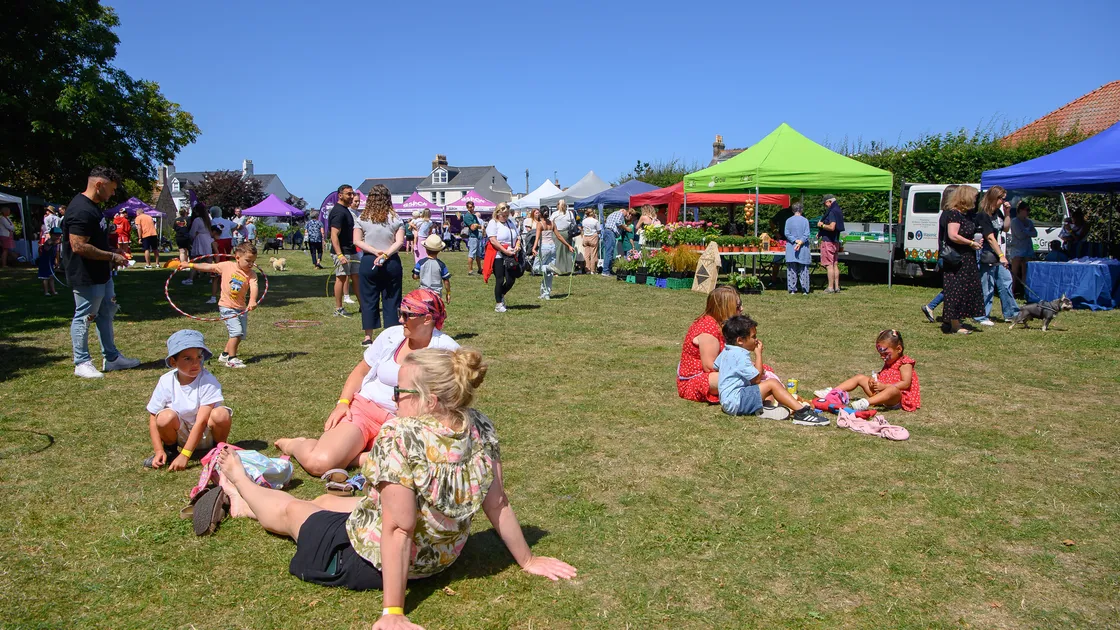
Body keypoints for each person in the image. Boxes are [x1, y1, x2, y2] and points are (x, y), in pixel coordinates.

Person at [217, 347, 577, 628]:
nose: (392, 398)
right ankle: (254, 501)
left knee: (292, 511)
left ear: (429, 400)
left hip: (379, 562)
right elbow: (497, 503)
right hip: (443, 555)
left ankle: (240, 485)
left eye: (399, 391)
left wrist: (393, 610)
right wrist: (527, 560)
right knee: (326, 499)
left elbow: (399, 528)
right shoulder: (479, 425)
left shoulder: (399, 435)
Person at [275, 289, 458, 476]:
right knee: (319, 463)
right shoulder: (391, 336)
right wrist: (343, 403)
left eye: (407, 315)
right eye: (400, 313)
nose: (401, 320)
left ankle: (352, 458)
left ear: (427, 319)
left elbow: (452, 402)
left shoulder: (447, 350)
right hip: (366, 409)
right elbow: (361, 371)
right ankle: (294, 444)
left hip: (406, 423)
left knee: (421, 462)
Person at [60, 166, 140, 378]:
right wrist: (111, 256)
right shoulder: (81, 210)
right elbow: (78, 246)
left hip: (101, 273)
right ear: (99, 185)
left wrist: (111, 251)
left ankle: (112, 358)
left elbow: (94, 240)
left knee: (106, 312)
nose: (113, 193)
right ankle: (82, 362)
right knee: (84, 316)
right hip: (85, 274)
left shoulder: (94, 208)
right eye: (111, 189)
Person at [715, 315, 829, 425]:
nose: (756, 340)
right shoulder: (740, 354)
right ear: (740, 340)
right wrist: (758, 354)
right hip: (737, 401)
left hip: (728, 401)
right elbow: (757, 379)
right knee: (772, 384)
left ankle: (767, 408)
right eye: (753, 337)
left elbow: (715, 366)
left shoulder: (727, 350)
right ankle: (802, 412)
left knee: (767, 389)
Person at [144, 329, 233, 469]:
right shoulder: (166, 381)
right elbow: (153, 416)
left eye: (199, 357)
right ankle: (169, 452)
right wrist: (158, 450)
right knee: (163, 417)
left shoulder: (208, 380)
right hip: (181, 435)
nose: (196, 363)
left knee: (220, 414)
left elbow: (202, 421)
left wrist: (185, 455)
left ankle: (218, 450)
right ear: (173, 362)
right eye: (188, 359)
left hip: (206, 433)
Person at [187, 241, 260, 368]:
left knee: (240, 334)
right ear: (237, 257)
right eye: (248, 261)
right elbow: (208, 267)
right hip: (227, 306)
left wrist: (252, 300)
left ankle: (225, 354)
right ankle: (232, 359)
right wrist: (191, 265)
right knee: (236, 332)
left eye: (253, 261)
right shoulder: (226, 266)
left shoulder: (251, 274)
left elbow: (254, 286)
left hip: (241, 308)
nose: (251, 264)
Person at [813, 329, 920, 412]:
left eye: (885, 354)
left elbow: (905, 383)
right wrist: (874, 381)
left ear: (899, 349)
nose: (883, 357)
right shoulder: (890, 361)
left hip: (895, 399)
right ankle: (833, 392)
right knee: (860, 378)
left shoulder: (905, 363)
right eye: (880, 354)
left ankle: (865, 403)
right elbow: (887, 376)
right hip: (880, 393)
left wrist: (885, 387)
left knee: (893, 389)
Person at [354, 184, 405, 346]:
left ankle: (368, 337)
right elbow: (399, 242)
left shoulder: (362, 218)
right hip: (391, 261)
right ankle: (392, 334)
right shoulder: (396, 219)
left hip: (369, 261)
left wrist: (375, 251)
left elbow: (357, 241)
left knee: (369, 298)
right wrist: (385, 254)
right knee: (392, 298)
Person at [677, 285, 741, 403]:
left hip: (712, 376)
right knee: (740, 377)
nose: (742, 309)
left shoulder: (719, 324)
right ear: (725, 308)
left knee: (755, 370)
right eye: (737, 306)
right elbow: (709, 367)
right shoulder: (708, 328)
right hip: (695, 382)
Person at [941, 186, 984, 334]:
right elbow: (952, 235)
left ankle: (951, 320)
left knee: (964, 290)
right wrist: (970, 242)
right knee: (955, 291)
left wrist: (975, 241)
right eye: (974, 196)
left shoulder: (967, 215)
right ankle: (955, 325)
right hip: (957, 259)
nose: (975, 199)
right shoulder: (954, 214)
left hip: (967, 257)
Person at [975, 186, 1019, 325]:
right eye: (1001, 198)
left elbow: (1005, 228)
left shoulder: (997, 214)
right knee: (987, 286)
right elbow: (990, 237)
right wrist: (1001, 255)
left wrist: (1007, 213)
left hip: (998, 253)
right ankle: (981, 316)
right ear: (994, 198)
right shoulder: (983, 215)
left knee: (1006, 282)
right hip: (987, 254)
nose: (1003, 201)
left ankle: (1012, 314)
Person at [921, 185, 960, 323]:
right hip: (949, 256)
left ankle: (945, 314)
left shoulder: (945, 213)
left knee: (951, 287)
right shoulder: (950, 215)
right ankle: (931, 306)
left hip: (944, 255)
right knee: (952, 287)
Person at [330, 185, 360, 318]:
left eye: (352, 194)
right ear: (340, 195)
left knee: (357, 278)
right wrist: (339, 254)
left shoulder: (346, 210)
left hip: (352, 250)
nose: (352, 196)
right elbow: (334, 235)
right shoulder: (338, 212)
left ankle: (363, 306)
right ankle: (338, 308)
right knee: (341, 278)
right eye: (348, 194)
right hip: (342, 251)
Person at [486, 202, 520, 313]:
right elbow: (493, 240)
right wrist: (504, 250)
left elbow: (518, 236)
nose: (505, 217)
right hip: (498, 255)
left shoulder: (511, 222)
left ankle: (501, 294)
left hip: (510, 253)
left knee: (511, 279)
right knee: (500, 279)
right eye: (503, 215)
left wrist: (517, 245)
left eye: (507, 215)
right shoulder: (493, 223)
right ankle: (498, 303)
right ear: (498, 213)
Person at [533, 211, 573, 300]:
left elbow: (537, 238)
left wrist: (533, 248)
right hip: (553, 247)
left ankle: (547, 268)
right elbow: (559, 236)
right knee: (548, 274)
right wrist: (569, 245)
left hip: (544, 247)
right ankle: (546, 294)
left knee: (536, 267)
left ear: (540, 214)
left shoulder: (539, 224)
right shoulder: (552, 223)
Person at [1008, 201, 1037, 297]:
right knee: (1014, 273)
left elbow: (1035, 233)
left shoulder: (1029, 222)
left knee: (1026, 272)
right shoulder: (1015, 222)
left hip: (1027, 249)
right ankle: (1011, 292)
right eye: (1027, 210)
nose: (1028, 212)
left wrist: (1026, 232)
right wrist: (1028, 232)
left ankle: (1025, 293)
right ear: (1020, 210)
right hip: (1017, 249)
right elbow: (1019, 235)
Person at [817, 194, 845, 293]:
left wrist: (822, 225)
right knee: (835, 264)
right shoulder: (838, 210)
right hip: (836, 241)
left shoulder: (832, 212)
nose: (825, 206)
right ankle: (837, 287)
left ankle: (830, 287)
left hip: (828, 241)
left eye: (825, 204)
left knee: (829, 265)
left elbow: (832, 227)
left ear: (829, 202)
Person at [184, 203, 215, 288]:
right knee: (209, 260)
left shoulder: (197, 220)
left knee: (195, 260)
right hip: (207, 239)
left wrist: (192, 238)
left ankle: (190, 279)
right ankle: (211, 278)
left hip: (200, 240)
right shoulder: (208, 220)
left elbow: (192, 233)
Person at [413, 234, 451, 302]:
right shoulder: (441, 265)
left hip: (423, 293)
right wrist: (448, 292)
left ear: (426, 250)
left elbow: (415, 276)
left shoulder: (420, 262)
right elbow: (446, 281)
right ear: (439, 250)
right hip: (436, 294)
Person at [783, 202, 811, 294]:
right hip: (803, 248)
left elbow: (787, 233)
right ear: (801, 210)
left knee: (791, 269)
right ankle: (805, 289)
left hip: (791, 247)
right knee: (804, 269)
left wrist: (795, 241)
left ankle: (792, 289)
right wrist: (800, 242)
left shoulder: (788, 220)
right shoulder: (805, 220)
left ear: (792, 210)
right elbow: (807, 234)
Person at [602, 207, 636, 276]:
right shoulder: (620, 214)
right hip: (610, 233)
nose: (627, 216)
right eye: (628, 215)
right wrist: (627, 228)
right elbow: (618, 223)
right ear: (625, 211)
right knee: (609, 252)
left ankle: (609, 269)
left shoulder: (612, 214)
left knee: (608, 252)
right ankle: (605, 271)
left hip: (607, 232)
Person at [549, 200, 577, 275]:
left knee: (557, 251)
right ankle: (567, 269)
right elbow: (574, 223)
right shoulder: (569, 213)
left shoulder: (555, 214)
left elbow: (550, 223)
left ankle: (557, 269)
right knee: (567, 252)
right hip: (565, 233)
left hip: (557, 233)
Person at [37, 227, 62, 296]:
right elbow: (46, 249)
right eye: (56, 235)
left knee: (51, 277)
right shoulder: (48, 242)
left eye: (59, 235)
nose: (58, 237)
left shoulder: (57, 243)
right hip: (45, 262)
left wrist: (56, 261)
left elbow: (56, 252)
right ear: (51, 235)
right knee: (45, 277)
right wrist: (53, 243)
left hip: (51, 262)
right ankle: (46, 291)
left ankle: (53, 291)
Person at [463, 200, 483, 275]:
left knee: (478, 254)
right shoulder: (467, 216)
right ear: (467, 208)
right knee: (472, 254)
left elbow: (479, 226)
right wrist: (476, 226)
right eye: (470, 207)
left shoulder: (474, 216)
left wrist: (476, 225)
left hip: (477, 236)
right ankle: (470, 270)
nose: (472, 208)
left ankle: (480, 269)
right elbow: (472, 228)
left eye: (473, 207)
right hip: (472, 237)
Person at [581, 208, 601, 275]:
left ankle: (587, 269)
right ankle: (593, 270)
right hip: (593, 236)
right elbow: (599, 230)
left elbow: (583, 229)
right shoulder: (595, 221)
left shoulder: (583, 221)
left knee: (586, 254)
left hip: (586, 236)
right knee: (593, 254)